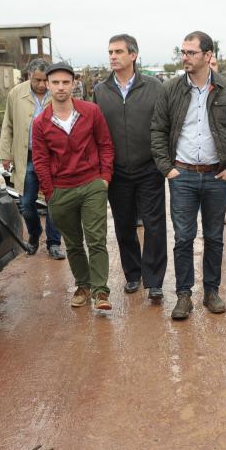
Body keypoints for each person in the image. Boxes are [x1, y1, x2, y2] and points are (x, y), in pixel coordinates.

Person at [151, 30, 226, 320]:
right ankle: (183, 295)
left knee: (214, 236)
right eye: (183, 52)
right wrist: (168, 168)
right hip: (183, 176)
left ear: (208, 56)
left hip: (217, 175)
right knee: (183, 237)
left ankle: (211, 291)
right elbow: (158, 130)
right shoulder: (170, 89)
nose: (185, 58)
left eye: (191, 52)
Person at [32, 62, 115, 310]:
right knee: (74, 243)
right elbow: (40, 160)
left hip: (91, 185)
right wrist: (50, 192)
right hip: (61, 190)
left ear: (73, 84)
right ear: (47, 85)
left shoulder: (91, 112)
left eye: (65, 82)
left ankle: (101, 292)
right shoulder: (40, 123)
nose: (60, 87)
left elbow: (105, 145)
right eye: (55, 82)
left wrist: (104, 178)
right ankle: (83, 285)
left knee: (96, 239)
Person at [93, 34, 167, 300]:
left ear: (133, 55)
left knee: (154, 224)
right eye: (110, 51)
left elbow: (163, 125)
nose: (113, 56)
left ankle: (154, 280)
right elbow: (97, 132)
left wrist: (162, 160)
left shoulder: (155, 87)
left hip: (149, 168)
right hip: (117, 171)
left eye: (119, 52)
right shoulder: (100, 90)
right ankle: (133, 275)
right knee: (123, 225)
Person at [0, 58, 65, 259]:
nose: (43, 85)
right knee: (26, 204)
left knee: (54, 201)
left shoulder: (56, 93)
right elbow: (7, 124)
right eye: (38, 80)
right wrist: (5, 154)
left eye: (46, 80)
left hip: (53, 157)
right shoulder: (16, 94)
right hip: (26, 156)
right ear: (29, 76)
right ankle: (35, 234)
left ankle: (54, 243)